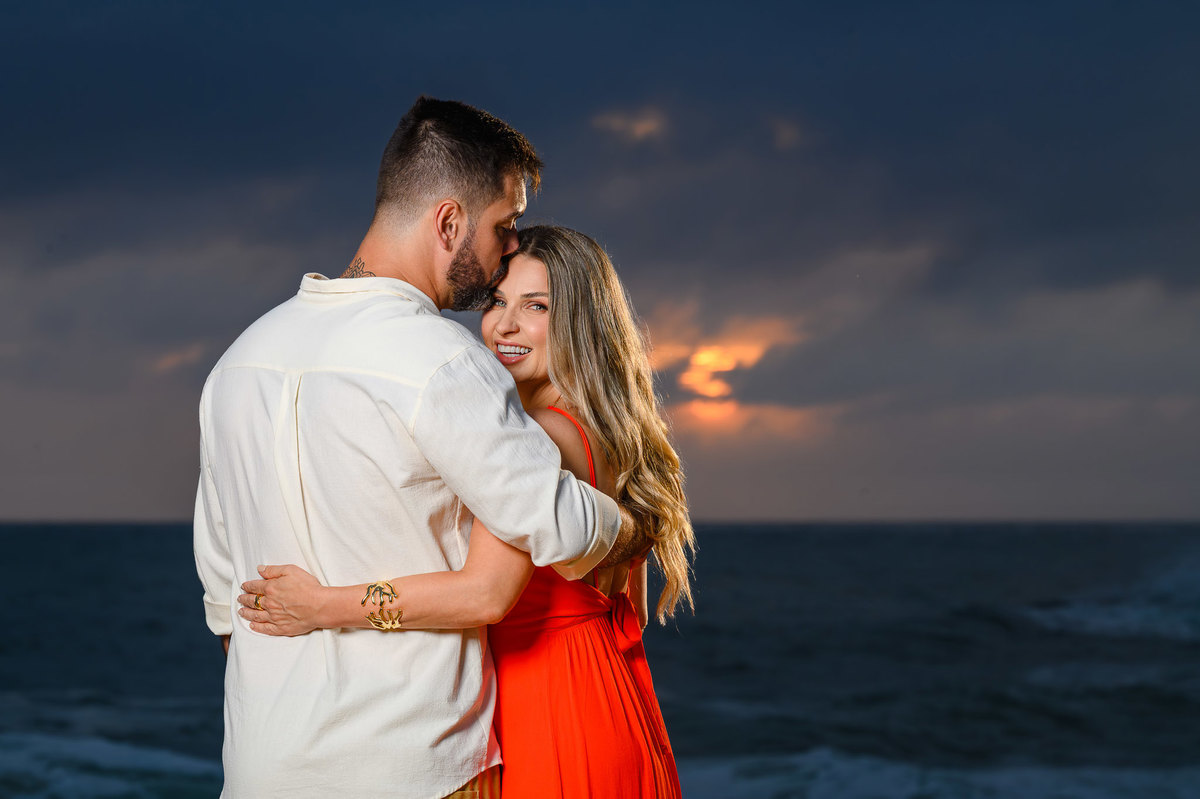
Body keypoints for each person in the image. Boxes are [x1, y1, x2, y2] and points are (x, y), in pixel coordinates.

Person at [193, 99, 646, 799]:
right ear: (448, 223)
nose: (502, 256)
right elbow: (557, 526)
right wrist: (630, 525)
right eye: (502, 227)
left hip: (264, 771)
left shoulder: (236, 365)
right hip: (419, 768)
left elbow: (230, 609)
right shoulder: (440, 362)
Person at [239, 226, 695, 798]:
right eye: (497, 302)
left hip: (550, 709)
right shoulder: (610, 432)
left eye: (535, 307)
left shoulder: (540, 439)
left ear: (581, 321)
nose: (504, 325)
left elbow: (483, 594)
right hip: (610, 698)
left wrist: (319, 607)